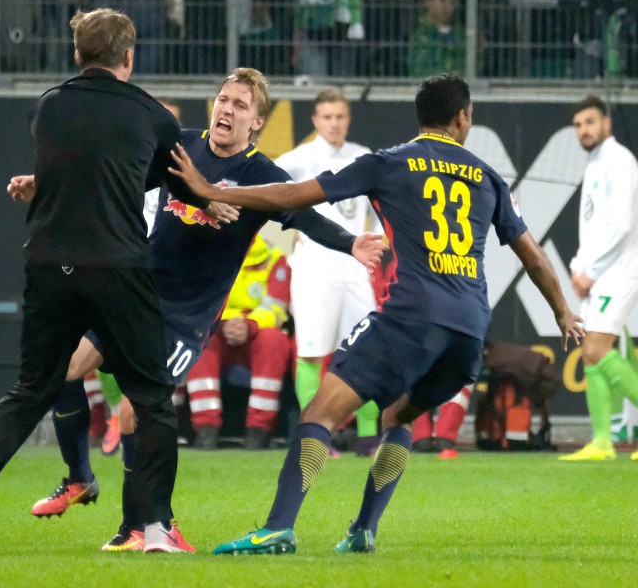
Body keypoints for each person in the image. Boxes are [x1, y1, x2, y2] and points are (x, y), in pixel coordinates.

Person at [169, 73, 584, 555]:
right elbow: (533, 255)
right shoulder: (487, 176)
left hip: (410, 317)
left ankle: (278, 526)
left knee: (320, 412)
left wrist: (214, 191)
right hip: (470, 331)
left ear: (420, 115)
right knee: (399, 414)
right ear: (462, 118)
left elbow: (291, 196)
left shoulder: (387, 163)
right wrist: (562, 313)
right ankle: (364, 529)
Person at [13, 67, 387, 551]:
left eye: (240, 105)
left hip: (185, 317)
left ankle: (142, 526)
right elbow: (112, 174)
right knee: (62, 372)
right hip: (137, 294)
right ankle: (81, 478)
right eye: (223, 99)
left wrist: (350, 242)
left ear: (256, 122)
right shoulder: (182, 146)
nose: (226, 109)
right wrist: (43, 184)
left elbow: (303, 216)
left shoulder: (262, 175)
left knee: (134, 410)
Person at [0, 7, 212, 555]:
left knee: (30, 390)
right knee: (151, 399)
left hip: (49, 266)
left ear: (77, 54)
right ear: (129, 58)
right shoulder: (154, 117)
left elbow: (79, 166)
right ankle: (155, 529)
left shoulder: (47, 107)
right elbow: (169, 181)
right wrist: (212, 203)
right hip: (118, 269)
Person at [275, 87, 381, 458]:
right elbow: (268, 194)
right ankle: (314, 435)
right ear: (315, 120)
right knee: (311, 353)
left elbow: (377, 209)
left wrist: (378, 240)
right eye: (327, 117)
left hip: (354, 270)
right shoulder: (300, 159)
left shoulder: (363, 157)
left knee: (367, 352)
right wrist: (288, 240)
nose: (334, 123)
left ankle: (368, 437)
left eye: (340, 116)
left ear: (348, 119)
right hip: (314, 269)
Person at [559, 95, 638, 462]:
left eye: (589, 122)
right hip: (596, 273)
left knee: (595, 350)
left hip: (619, 271)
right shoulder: (594, 164)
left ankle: (605, 441)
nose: (583, 130)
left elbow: (622, 225)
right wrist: (578, 266)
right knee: (590, 358)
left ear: (606, 123)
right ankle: (603, 442)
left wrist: (592, 270)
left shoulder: (620, 161)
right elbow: (592, 225)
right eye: (578, 125)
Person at [186, 234, 294, 450]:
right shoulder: (205, 256)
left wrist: (249, 326)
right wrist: (223, 323)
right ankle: (206, 428)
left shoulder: (274, 258)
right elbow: (199, 302)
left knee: (274, 339)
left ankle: (259, 430)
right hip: (217, 331)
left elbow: (277, 308)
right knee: (199, 336)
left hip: (255, 335)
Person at [292, 0, 365, 81]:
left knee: (341, 68)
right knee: (317, 70)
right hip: (316, 27)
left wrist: (356, 21)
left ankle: (340, 87)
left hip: (340, 26)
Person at [407, 0, 465, 77]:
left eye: (452, 2)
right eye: (442, 0)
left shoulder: (461, 34)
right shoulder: (422, 35)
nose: (447, 6)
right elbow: (418, 69)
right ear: (428, 2)